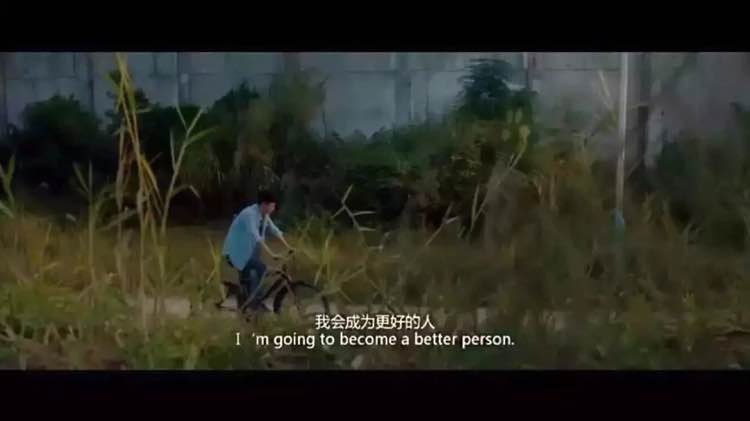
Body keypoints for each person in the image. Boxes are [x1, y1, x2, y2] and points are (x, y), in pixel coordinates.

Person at [223, 190, 293, 312]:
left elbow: (274, 230)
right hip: (236, 252)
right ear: (264, 205)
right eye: (272, 206)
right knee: (261, 269)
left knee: (250, 278)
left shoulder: (264, 215)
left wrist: (289, 247)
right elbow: (256, 236)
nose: (274, 208)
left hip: (248, 252)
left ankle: (248, 303)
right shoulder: (249, 214)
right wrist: (271, 254)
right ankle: (255, 303)